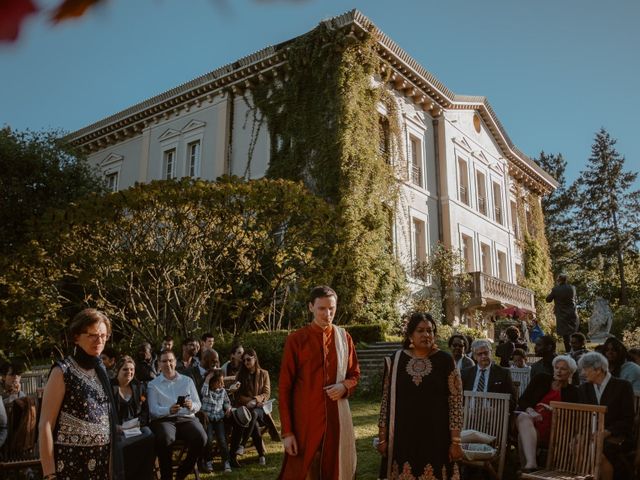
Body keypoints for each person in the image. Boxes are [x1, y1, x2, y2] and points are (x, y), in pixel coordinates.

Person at [278, 285, 360, 480]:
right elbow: (284, 388)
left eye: (331, 308)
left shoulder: (344, 338)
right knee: (305, 472)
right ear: (311, 307)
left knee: (335, 470)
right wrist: (287, 432)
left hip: (336, 422)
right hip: (305, 422)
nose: (327, 313)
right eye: (322, 308)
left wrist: (344, 387)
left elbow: (354, 375)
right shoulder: (296, 340)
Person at [38, 308, 124, 480]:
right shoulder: (62, 371)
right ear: (76, 337)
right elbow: (46, 424)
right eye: (92, 335)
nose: (99, 340)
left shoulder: (101, 371)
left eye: (103, 336)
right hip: (71, 463)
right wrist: (50, 474)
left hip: (101, 463)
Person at [377, 312, 463, 479]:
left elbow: (456, 403)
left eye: (430, 331)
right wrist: (382, 438)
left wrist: (456, 442)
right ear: (410, 335)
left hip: (437, 437)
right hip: (403, 437)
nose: (426, 335)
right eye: (420, 330)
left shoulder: (445, 361)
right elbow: (386, 400)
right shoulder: (396, 361)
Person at [147, 349, 207, 480]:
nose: (168, 364)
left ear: (175, 362)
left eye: (170, 360)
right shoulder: (153, 385)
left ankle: (182, 473)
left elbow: (198, 404)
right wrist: (168, 410)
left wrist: (192, 406)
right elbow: (153, 410)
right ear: (159, 363)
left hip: (186, 418)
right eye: (164, 361)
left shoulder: (187, 381)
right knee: (165, 439)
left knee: (201, 437)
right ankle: (166, 477)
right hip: (164, 419)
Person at [515, 355, 579, 472]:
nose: (559, 371)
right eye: (556, 367)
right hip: (533, 423)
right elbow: (523, 400)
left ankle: (529, 469)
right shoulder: (541, 379)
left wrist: (553, 410)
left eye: (563, 369)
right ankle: (531, 464)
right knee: (524, 416)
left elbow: (573, 417)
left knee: (522, 436)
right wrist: (531, 410)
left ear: (571, 373)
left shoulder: (574, 392)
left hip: (556, 429)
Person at [578, 352, 635, 480]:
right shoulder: (584, 388)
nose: (582, 373)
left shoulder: (622, 386)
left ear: (598, 369)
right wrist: (584, 434)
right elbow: (584, 416)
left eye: (585, 369)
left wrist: (607, 432)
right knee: (577, 444)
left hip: (617, 434)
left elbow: (628, 418)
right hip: (592, 434)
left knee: (599, 450)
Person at [111, 355, 156, 480]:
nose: (129, 372)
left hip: (135, 427)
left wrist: (139, 423)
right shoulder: (110, 387)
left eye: (132, 369)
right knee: (120, 445)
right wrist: (114, 426)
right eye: (125, 369)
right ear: (118, 370)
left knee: (149, 435)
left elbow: (145, 411)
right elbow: (106, 411)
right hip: (117, 429)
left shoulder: (139, 386)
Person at [230, 348, 270, 468]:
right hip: (245, 409)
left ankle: (241, 445)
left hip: (260, 409)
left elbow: (266, 393)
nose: (246, 362)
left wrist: (255, 400)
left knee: (254, 414)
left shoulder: (264, 373)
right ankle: (261, 455)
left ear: (255, 358)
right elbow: (237, 395)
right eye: (244, 360)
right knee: (253, 421)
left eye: (249, 359)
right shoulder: (240, 375)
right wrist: (249, 402)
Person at [461, 339, 517, 412]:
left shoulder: (503, 373)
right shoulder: (465, 373)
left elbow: (512, 400)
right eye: (480, 354)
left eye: (486, 353)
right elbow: (458, 397)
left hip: (492, 416)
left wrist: (496, 410)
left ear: (491, 353)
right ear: (474, 356)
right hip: (468, 415)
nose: (483, 356)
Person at [201, 368, 232, 473]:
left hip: (219, 418)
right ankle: (208, 461)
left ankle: (226, 462)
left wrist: (228, 408)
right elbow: (203, 392)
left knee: (222, 440)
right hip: (208, 419)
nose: (222, 384)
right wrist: (208, 378)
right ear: (212, 382)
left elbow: (226, 401)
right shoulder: (207, 391)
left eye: (222, 382)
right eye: (219, 382)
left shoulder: (223, 391)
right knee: (208, 440)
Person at [545, 274, 579, 353]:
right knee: (573, 333)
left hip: (562, 315)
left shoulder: (556, 289)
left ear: (558, 280)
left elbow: (548, 299)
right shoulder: (572, 288)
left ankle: (569, 352)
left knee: (566, 336)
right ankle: (575, 351)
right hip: (572, 313)